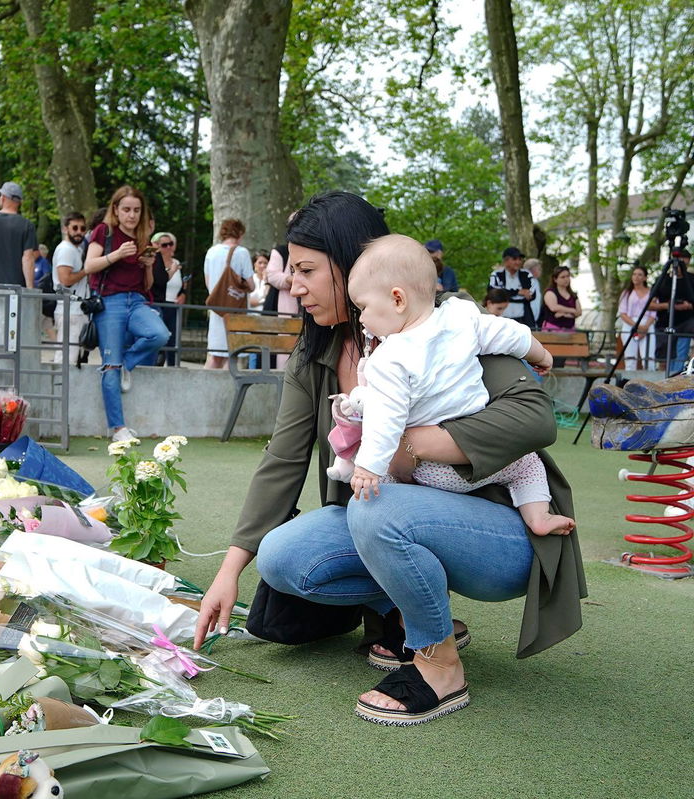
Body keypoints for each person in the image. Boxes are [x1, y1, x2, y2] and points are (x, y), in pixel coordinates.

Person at [193, 191, 583, 727]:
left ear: (353, 264)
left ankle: (440, 668)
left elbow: (535, 420)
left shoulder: (443, 329)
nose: (291, 283)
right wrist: (230, 570)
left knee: (374, 508)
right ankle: (412, 612)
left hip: (505, 526)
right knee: (284, 557)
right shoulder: (316, 355)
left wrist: (408, 443)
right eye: (292, 269)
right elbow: (282, 460)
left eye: (306, 269)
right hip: (392, 516)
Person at [342, 234, 574, 538]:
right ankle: (538, 516)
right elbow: (508, 333)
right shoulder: (461, 317)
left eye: (363, 307)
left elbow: (385, 419)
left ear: (397, 299)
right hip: (476, 457)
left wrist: (368, 467)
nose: (361, 318)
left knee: (379, 488)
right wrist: (540, 353)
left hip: (429, 468)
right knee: (528, 465)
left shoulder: (390, 357)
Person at [84, 186, 170, 441]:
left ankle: (127, 364)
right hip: (109, 303)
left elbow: (146, 284)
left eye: (136, 210)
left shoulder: (144, 237)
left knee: (159, 334)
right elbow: (89, 266)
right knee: (110, 365)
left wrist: (148, 266)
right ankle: (118, 429)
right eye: (126, 210)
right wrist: (116, 255)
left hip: (138, 301)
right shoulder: (104, 231)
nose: (131, 215)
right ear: (116, 210)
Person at [203, 219, 255, 369]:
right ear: (239, 233)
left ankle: (203, 388)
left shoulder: (211, 252)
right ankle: (227, 392)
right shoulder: (241, 252)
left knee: (215, 355)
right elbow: (251, 285)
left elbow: (208, 282)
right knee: (233, 354)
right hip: (235, 309)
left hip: (217, 309)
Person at [647, 248, 694, 372]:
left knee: (681, 354)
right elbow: (649, 304)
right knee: (663, 358)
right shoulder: (662, 280)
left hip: (686, 323)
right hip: (664, 322)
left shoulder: (692, 279)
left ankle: (677, 377)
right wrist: (669, 306)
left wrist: (688, 306)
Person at [52, 213, 89, 364]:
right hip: (70, 310)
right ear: (65, 229)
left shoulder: (76, 249)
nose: (79, 232)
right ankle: (60, 387)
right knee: (66, 358)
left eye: (82, 228)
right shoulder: (66, 250)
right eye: (75, 228)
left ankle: (65, 386)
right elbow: (65, 279)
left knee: (71, 357)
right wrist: (87, 270)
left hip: (76, 310)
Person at [150, 231, 186, 366]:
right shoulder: (154, 262)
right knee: (159, 337)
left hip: (173, 304)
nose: (169, 247)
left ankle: (173, 366)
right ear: (156, 246)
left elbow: (182, 284)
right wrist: (172, 270)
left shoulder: (176, 262)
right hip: (158, 303)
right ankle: (154, 364)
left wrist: (183, 293)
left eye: (171, 244)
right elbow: (160, 281)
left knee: (173, 339)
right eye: (164, 245)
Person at [618, 265, 656, 370]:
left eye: (640, 275)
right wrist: (637, 326)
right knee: (630, 358)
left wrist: (645, 327)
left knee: (649, 358)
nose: (636, 277)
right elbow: (623, 313)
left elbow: (653, 313)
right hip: (631, 324)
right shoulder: (627, 293)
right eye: (634, 274)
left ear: (645, 278)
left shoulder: (651, 292)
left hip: (647, 324)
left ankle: (650, 383)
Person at [489, 246, 537, 328]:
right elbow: (493, 293)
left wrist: (507, 293)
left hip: (523, 319)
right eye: (514, 259)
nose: (518, 262)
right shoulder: (497, 274)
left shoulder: (526, 275)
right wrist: (518, 292)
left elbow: (532, 294)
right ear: (506, 261)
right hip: (502, 318)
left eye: (520, 259)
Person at [538, 266, 581, 331]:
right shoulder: (550, 292)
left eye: (568, 276)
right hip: (552, 329)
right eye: (563, 277)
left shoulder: (573, 295)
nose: (566, 279)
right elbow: (554, 307)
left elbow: (579, 312)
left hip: (570, 330)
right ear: (555, 279)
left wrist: (563, 313)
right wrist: (572, 311)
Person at [525, 258, 545, 324]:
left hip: (534, 318)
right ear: (531, 269)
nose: (541, 271)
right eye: (539, 269)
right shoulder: (526, 281)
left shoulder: (536, 281)